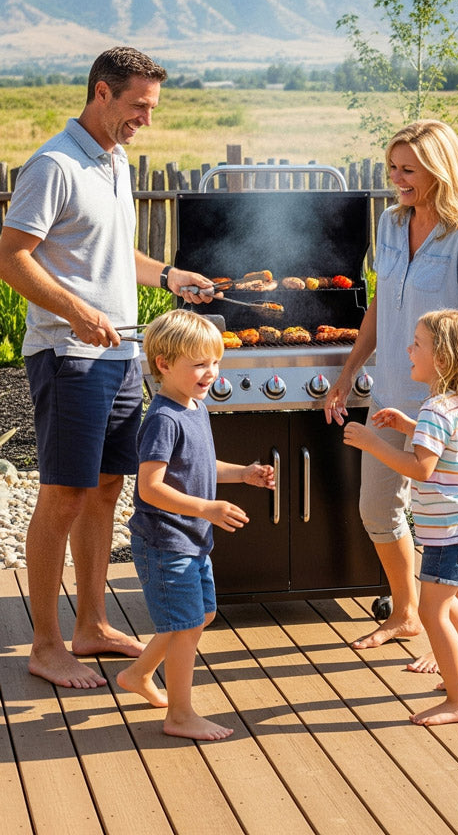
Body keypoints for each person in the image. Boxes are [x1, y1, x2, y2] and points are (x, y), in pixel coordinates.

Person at [0, 47, 216, 690]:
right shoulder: (55, 164)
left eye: (152, 106)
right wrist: (74, 311)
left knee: (105, 490)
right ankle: (45, 643)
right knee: (63, 494)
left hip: (121, 355)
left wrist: (172, 277)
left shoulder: (114, 160)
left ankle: (90, 623)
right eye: (138, 106)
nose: (146, 119)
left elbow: (112, 250)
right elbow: (12, 255)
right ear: (102, 92)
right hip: (71, 357)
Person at [324, 120, 458, 669]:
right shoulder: (392, 224)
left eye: (408, 170)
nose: (396, 179)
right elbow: (378, 306)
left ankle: (456, 640)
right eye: (392, 168)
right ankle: (405, 612)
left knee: (454, 520)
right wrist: (351, 369)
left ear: (438, 171)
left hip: (447, 405)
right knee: (377, 506)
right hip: (390, 395)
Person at [117, 310, 274, 740]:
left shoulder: (195, 407)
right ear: (165, 364)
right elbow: (149, 488)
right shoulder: (164, 419)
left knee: (199, 615)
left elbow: (201, 465)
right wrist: (206, 509)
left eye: (215, 362)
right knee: (186, 626)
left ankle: (139, 673)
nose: (211, 373)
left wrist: (242, 473)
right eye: (200, 364)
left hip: (190, 540)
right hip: (166, 541)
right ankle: (180, 715)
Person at [343, 309, 458, 725]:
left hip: (451, 529)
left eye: (418, 344)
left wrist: (371, 441)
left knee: (433, 612)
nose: (408, 349)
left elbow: (421, 468)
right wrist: (409, 423)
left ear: (445, 359)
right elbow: (444, 447)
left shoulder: (437, 408)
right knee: (447, 605)